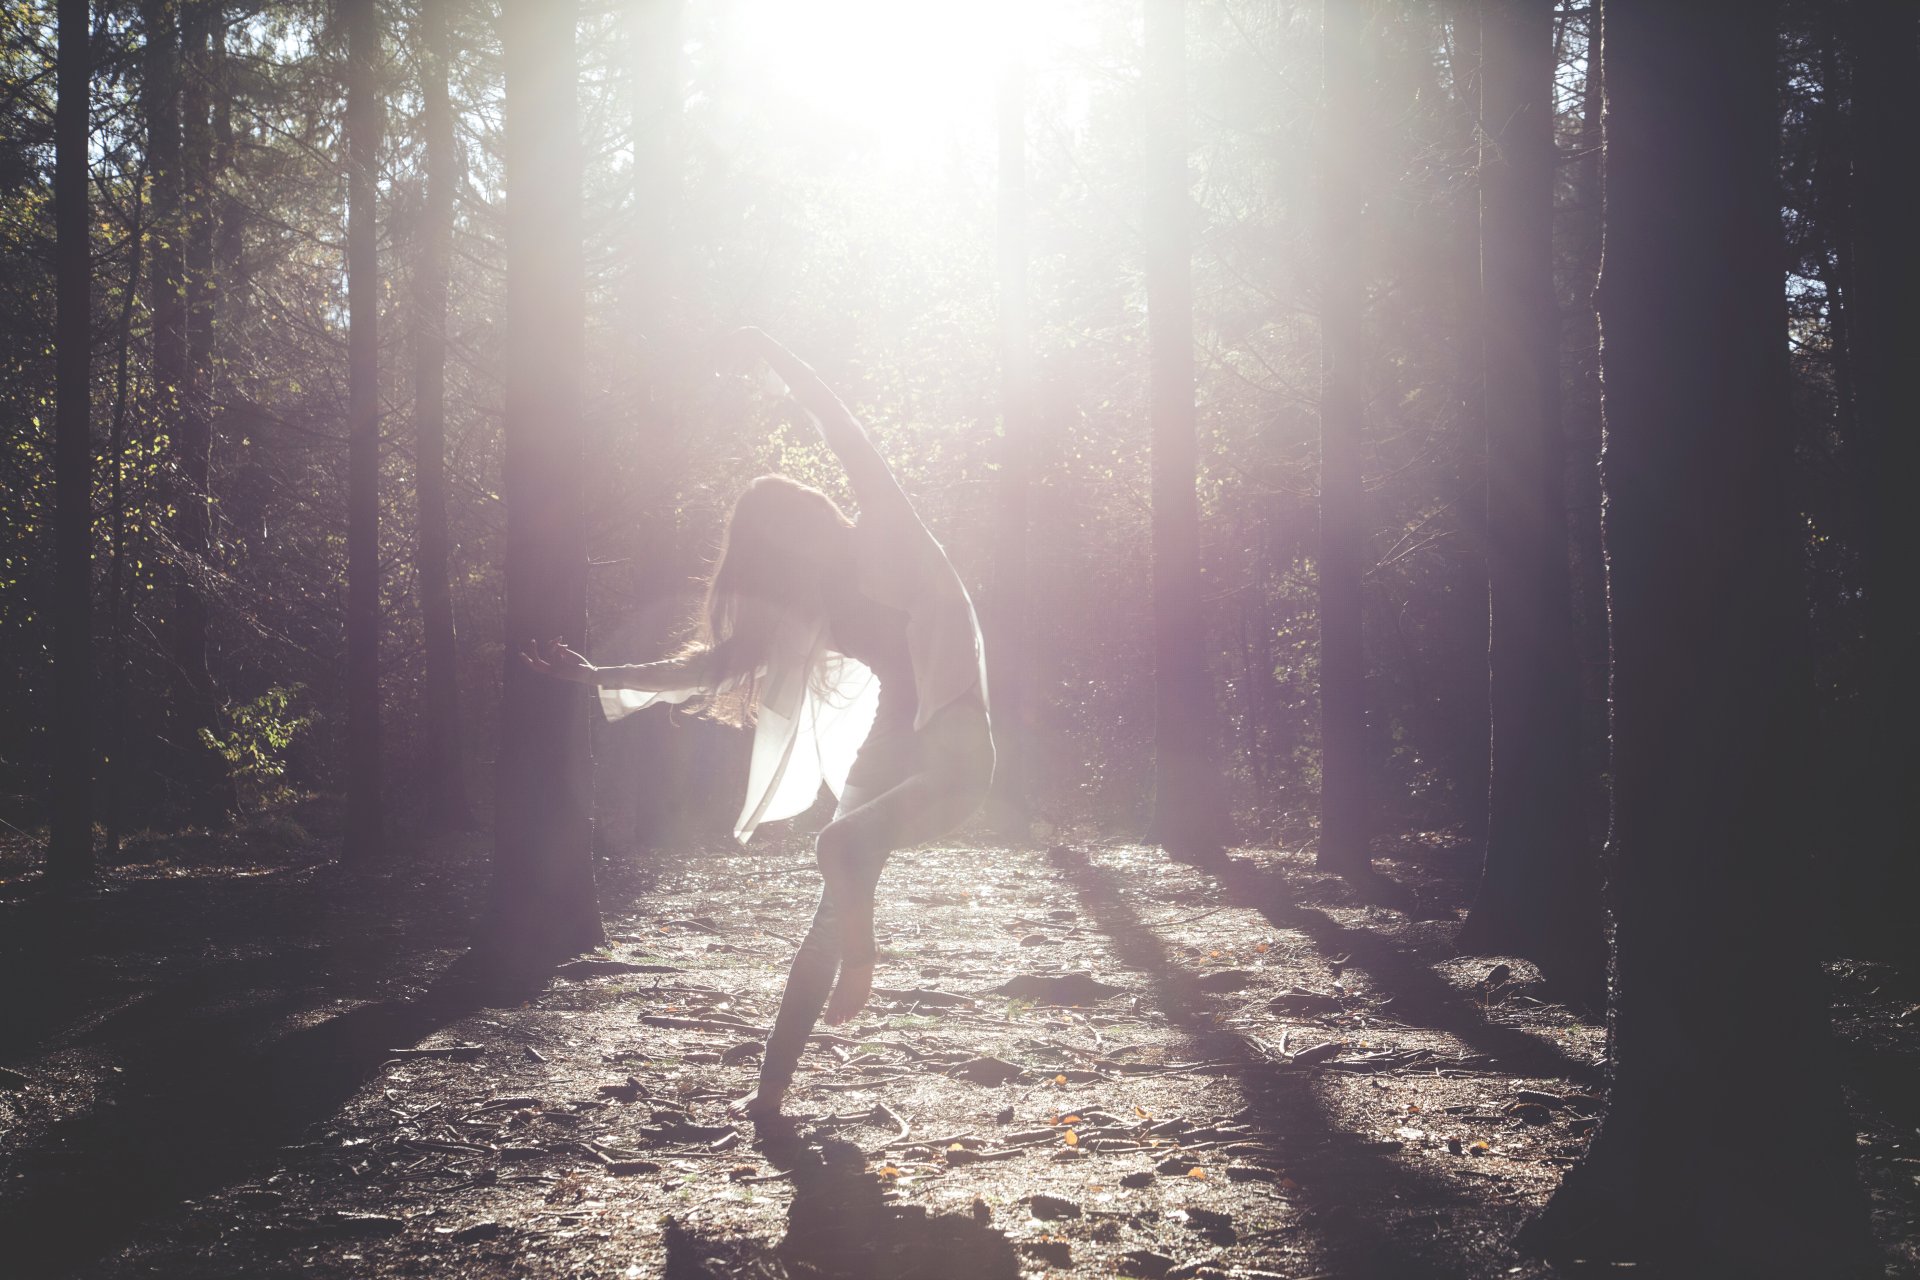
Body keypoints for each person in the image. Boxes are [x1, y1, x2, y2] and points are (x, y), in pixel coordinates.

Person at [523, 327, 994, 1120]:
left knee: (837, 847)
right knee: (827, 906)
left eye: (788, 537)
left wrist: (780, 357)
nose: (790, 557)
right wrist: (598, 675)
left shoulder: (889, 529)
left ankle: (863, 959)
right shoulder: (813, 602)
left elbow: (847, 435)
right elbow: (710, 666)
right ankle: (770, 1094)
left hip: (954, 749)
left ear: (813, 518)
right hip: (886, 754)